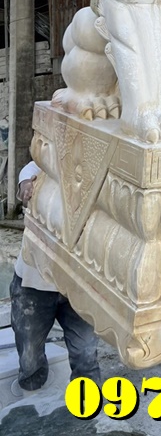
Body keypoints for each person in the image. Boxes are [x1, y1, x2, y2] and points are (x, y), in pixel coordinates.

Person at [10, 160, 101, 394]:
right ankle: (34, 390)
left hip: (78, 286)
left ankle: (87, 402)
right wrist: (25, 184)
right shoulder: (46, 167)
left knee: (85, 353)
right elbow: (31, 169)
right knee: (29, 358)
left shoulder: (99, 178)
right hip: (34, 285)